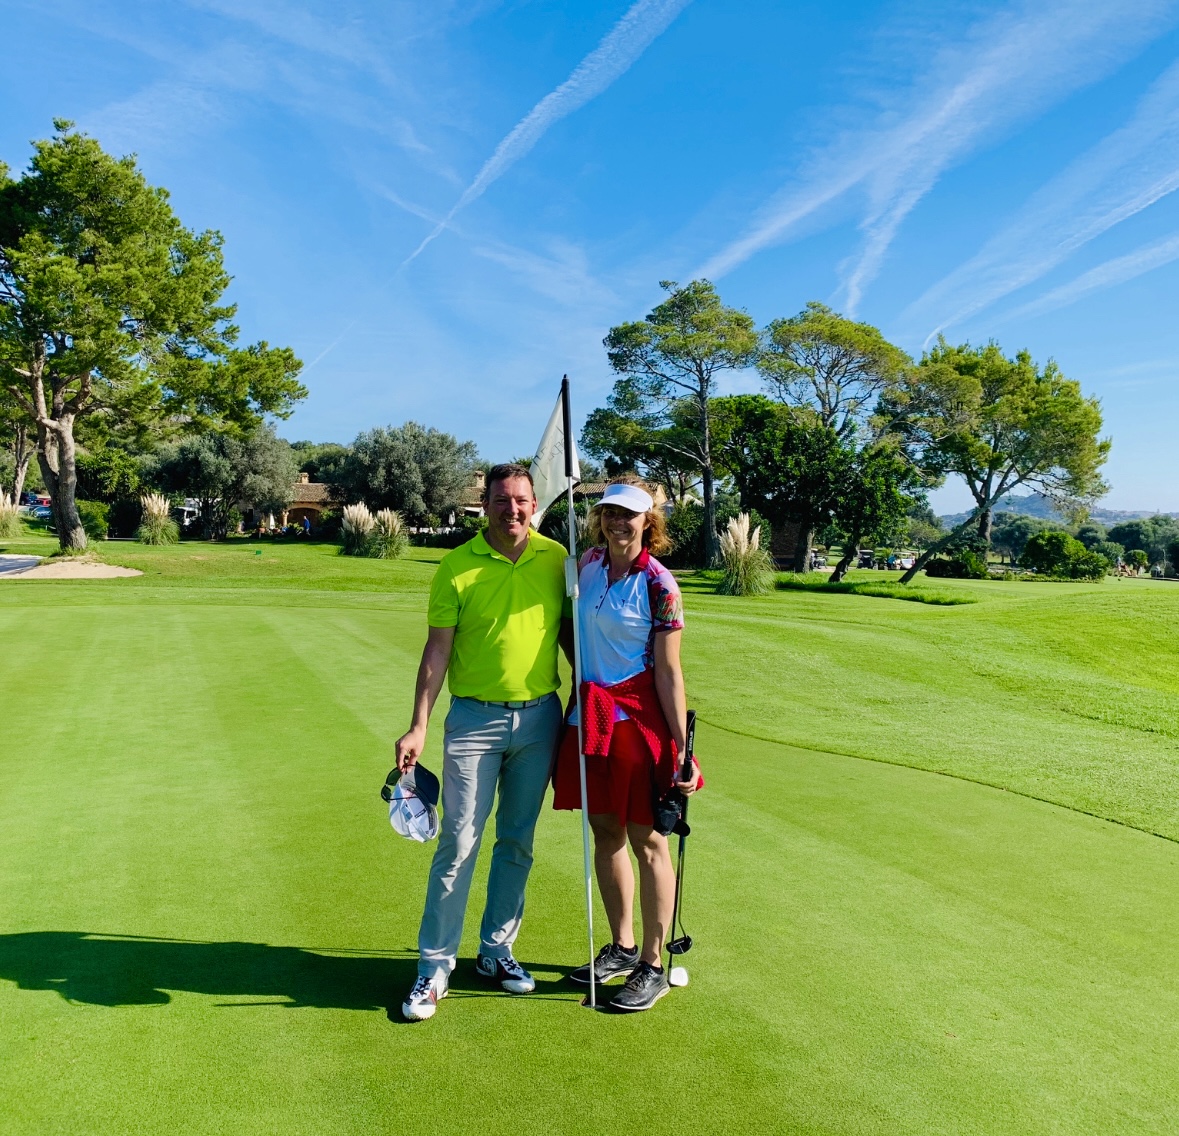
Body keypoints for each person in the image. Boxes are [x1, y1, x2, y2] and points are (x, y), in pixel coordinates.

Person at [394, 463, 571, 1023]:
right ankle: (434, 965)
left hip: (540, 717)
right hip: (473, 721)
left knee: (517, 841)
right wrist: (419, 724)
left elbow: (572, 637)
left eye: (521, 500)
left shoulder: (557, 559)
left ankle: (496, 952)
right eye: (501, 501)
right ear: (485, 504)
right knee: (459, 841)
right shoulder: (456, 566)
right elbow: (437, 653)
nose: (512, 510)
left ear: (534, 502)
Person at [553, 476, 702, 1012]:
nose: (619, 521)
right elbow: (571, 633)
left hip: (636, 723)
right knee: (606, 830)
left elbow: (669, 671)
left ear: (649, 523)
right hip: (588, 720)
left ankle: (653, 965)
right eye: (611, 512)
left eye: (630, 515)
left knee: (648, 841)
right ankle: (621, 945)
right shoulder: (586, 565)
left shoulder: (660, 584)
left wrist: (681, 749)